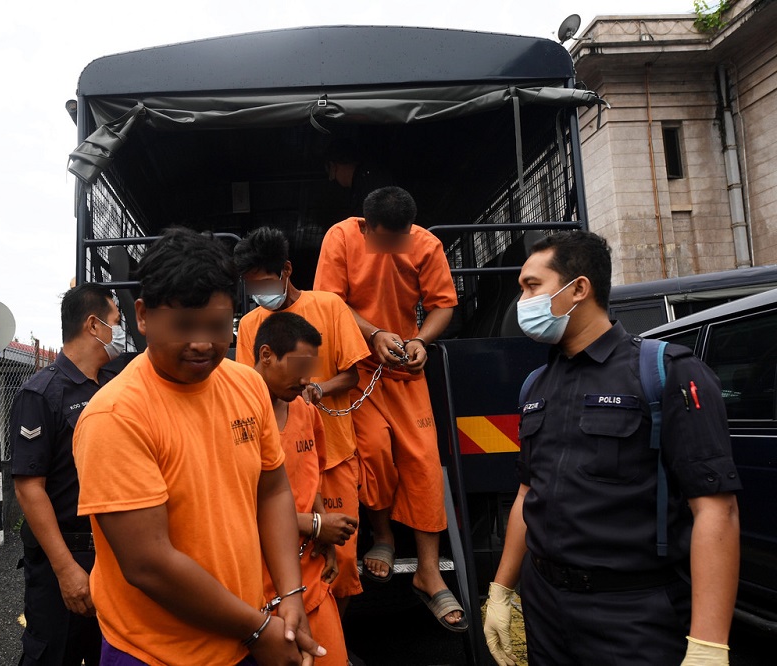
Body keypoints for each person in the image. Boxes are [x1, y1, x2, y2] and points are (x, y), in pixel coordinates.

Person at [483, 231, 741, 666]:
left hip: (632, 613)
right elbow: (529, 494)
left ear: (579, 289)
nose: (521, 301)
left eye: (531, 286)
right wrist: (501, 591)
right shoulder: (536, 385)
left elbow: (716, 509)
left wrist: (708, 643)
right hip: (546, 608)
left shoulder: (665, 372)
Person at [73, 227, 324, 666]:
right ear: (144, 316)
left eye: (217, 325)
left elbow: (273, 490)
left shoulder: (247, 385)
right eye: (185, 326)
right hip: (156, 653)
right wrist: (258, 629)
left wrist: (290, 594)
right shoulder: (115, 416)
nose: (203, 343)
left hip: (243, 635)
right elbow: (148, 563)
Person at [313, 186, 466, 632]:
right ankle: (382, 537)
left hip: (406, 371)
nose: (393, 247)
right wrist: (374, 333)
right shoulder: (341, 237)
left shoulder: (426, 244)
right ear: (365, 226)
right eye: (384, 240)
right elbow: (330, 302)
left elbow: (442, 305)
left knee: (422, 460)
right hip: (358, 369)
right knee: (374, 450)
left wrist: (420, 341)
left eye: (399, 239)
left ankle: (428, 571)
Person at [234, 227, 366, 613]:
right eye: (251, 284)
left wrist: (317, 390)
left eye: (264, 280)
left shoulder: (328, 306)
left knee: (338, 558)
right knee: (282, 551)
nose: (259, 290)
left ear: (286, 270)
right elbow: (249, 385)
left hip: (334, 452)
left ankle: (333, 631)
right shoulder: (249, 325)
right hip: (278, 457)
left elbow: (353, 374)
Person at [11, 283, 134, 666]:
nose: (121, 331)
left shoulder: (114, 388)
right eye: (116, 321)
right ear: (94, 326)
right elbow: (30, 488)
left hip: (110, 552)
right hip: (66, 553)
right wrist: (66, 570)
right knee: (54, 653)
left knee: (105, 652)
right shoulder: (43, 393)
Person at [253, 311, 349, 665]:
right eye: (299, 366)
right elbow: (239, 507)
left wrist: (326, 541)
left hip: (310, 573)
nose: (307, 379)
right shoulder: (235, 414)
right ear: (266, 356)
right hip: (258, 583)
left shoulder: (306, 410)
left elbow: (315, 477)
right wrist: (315, 525)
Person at [324, 139, 394, 218]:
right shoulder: (364, 180)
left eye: (330, 172)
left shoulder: (368, 183)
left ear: (333, 166)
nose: (331, 179)